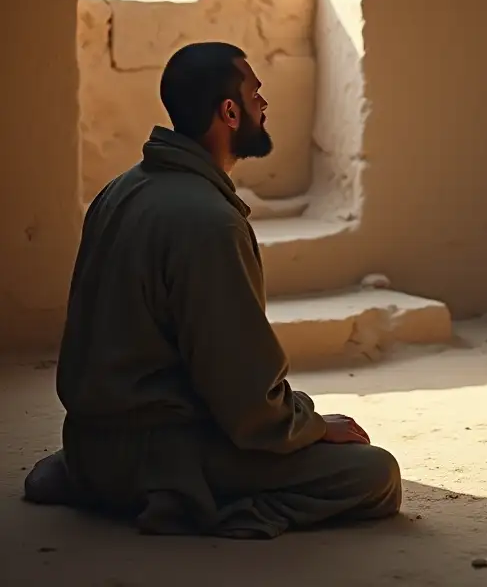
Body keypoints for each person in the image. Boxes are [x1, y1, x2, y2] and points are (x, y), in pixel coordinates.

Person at [23, 42, 401, 538]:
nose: (263, 106)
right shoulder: (208, 221)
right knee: (376, 474)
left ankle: (93, 479)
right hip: (166, 453)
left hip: (89, 443)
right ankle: (190, 505)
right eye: (255, 94)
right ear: (229, 111)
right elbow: (245, 402)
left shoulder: (118, 190)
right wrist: (311, 425)